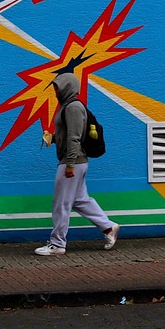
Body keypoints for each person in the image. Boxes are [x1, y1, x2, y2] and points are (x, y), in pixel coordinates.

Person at [35, 72, 120, 256]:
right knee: (81, 201)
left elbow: (75, 137)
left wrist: (70, 164)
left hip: (72, 161)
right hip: (75, 161)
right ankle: (108, 227)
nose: (56, 91)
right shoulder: (67, 106)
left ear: (67, 87)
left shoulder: (73, 107)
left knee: (61, 204)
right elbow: (68, 136)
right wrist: (53, 138)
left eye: (57, 87)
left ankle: (57, 244)